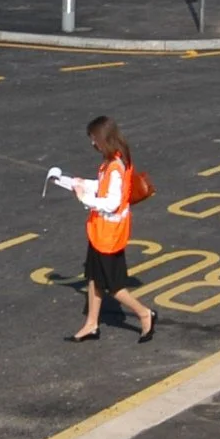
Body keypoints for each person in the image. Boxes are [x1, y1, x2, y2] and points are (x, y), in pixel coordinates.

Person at [49, 116, 157, 344]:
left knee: (114, 287)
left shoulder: (115, 168)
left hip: (109, 235)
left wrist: (84, 198)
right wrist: (76, 182)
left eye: (94, 140)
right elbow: (103, 186)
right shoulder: (113, 162)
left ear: (103, 139)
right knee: (94, 278)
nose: (93, 144)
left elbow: (111, 203)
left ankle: (144, 313)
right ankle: (91, 324)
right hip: (102, 233)